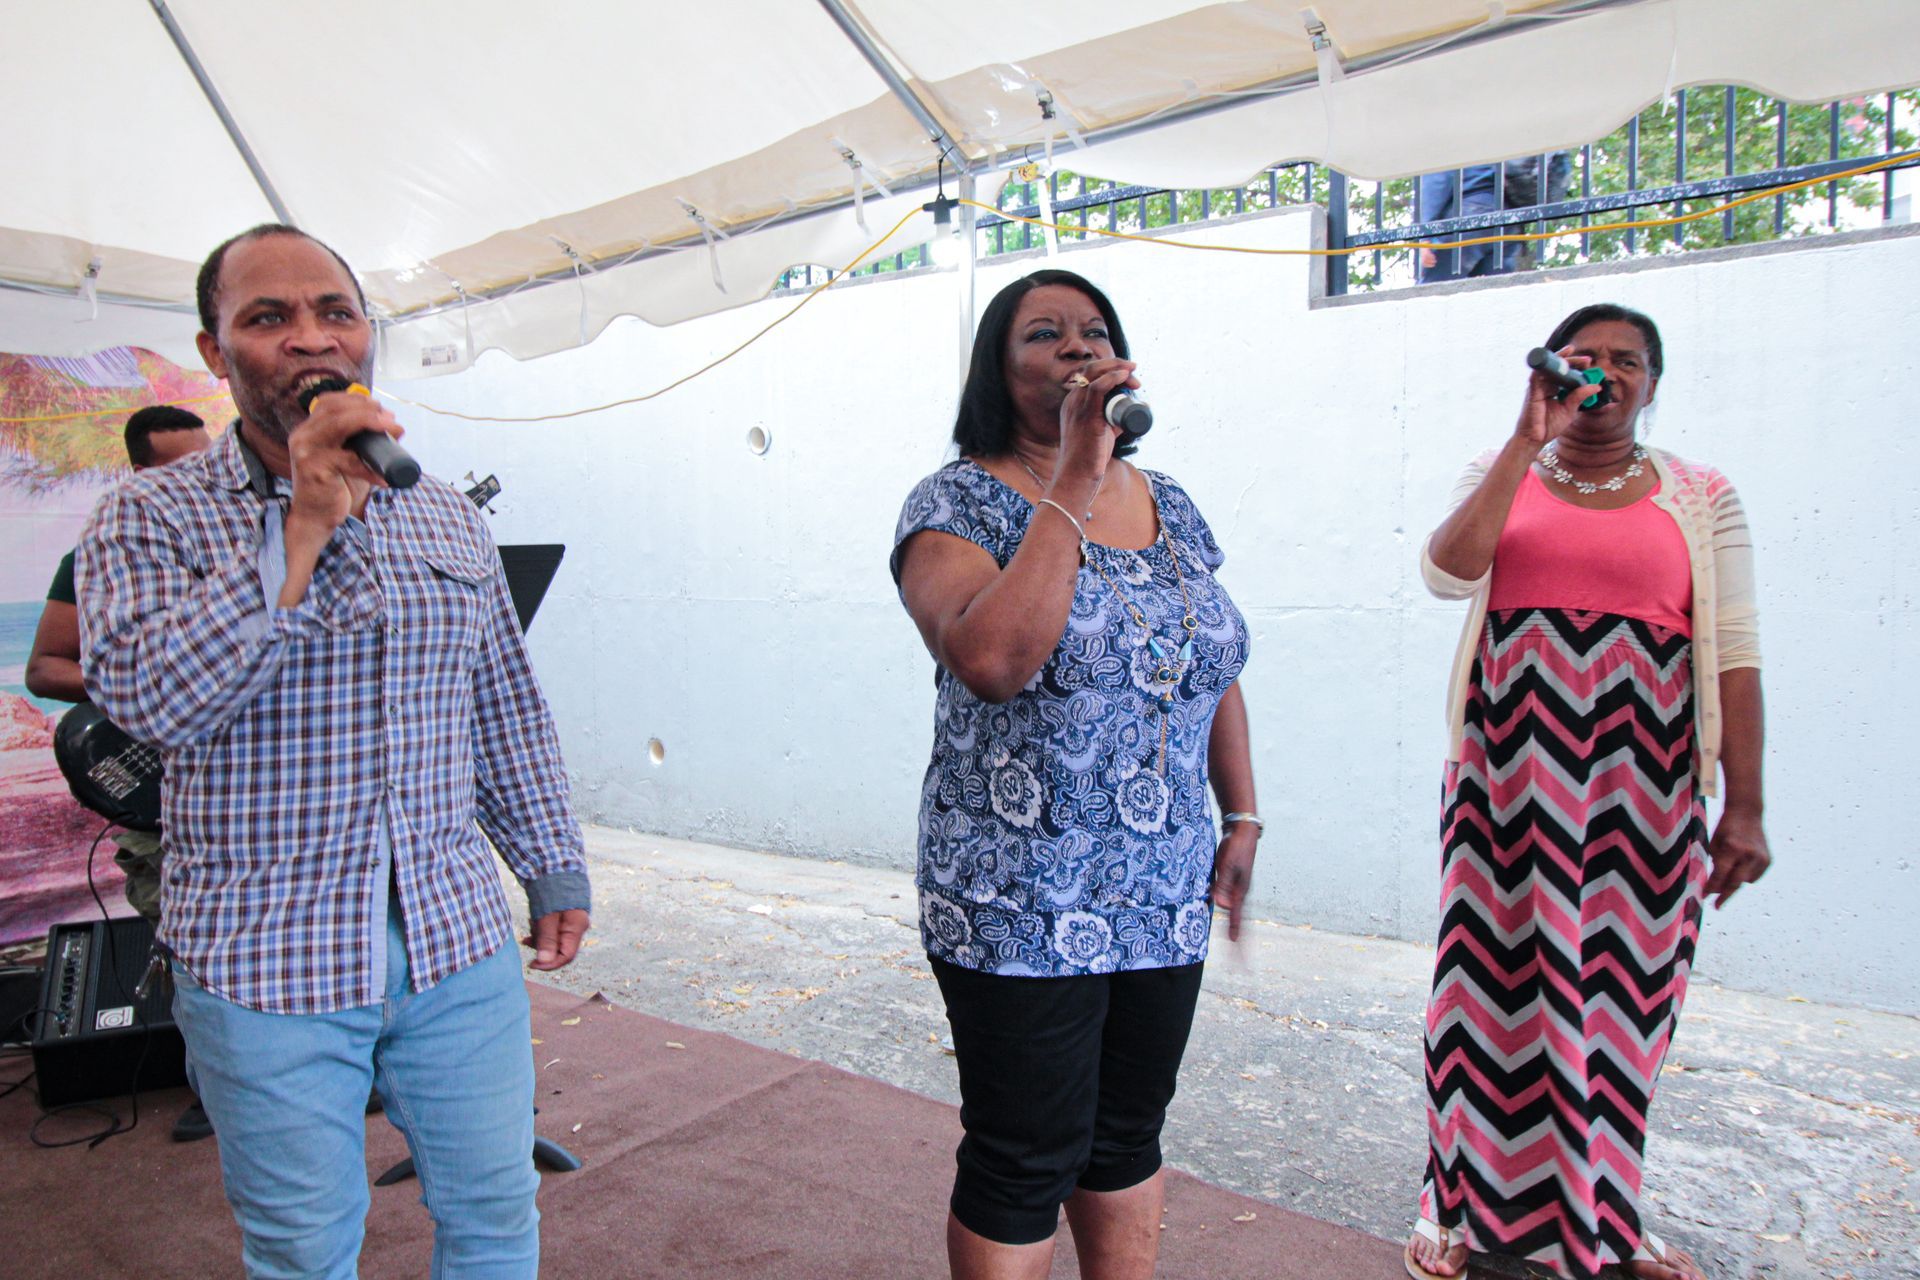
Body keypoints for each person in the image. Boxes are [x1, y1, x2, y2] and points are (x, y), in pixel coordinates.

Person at [75, 223, 591, 1279]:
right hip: (265, 954)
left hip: (455, 940)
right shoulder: (145, 514)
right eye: (267, 317)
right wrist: (295, 533)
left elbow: (502, 700)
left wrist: (549, 856)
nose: (310, 338)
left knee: (497, 1213)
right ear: (217, 352)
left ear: (366, 338)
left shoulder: (441, 514)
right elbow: (147, 700)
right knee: (305, 1247)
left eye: (334, 312)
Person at [890, 268, 1259, 1279]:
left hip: (1160, 880)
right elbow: (995, 659)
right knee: (1025, 1152)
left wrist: (1244, 813)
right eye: (1043, 335)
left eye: (1093, 330)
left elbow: (1207, 661)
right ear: (998, 372)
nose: (1075, 348)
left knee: (1128, 1132)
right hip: (1018, 889)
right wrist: (1073, 480)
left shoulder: (1172, 503)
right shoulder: (954, 502)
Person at [1405, 304, 1770, 1280]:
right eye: (1584, 356)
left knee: (1623, 1006)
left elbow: (1734, 653)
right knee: (1482, 992)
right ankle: (1456, 1206)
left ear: (1653, 383)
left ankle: (1606, 1214)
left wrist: (1745, 804)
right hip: (1508, 772)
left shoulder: (1703, 494)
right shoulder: (1505, 465)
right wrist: (1527, 445)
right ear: (1550, 369)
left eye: (1627, 360)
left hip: (1643, 786)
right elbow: (1448, 574)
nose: (1604, 372)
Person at [28, 404, 214, 1141]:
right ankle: (213, 1084)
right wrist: (140, 679)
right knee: (186, 937)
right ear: (140, 475)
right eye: (177, 471)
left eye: (203, 466)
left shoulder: (238, 547)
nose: (195, 485)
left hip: (230, 785)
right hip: (155, 786)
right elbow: (44, 668)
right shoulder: (97, 556)